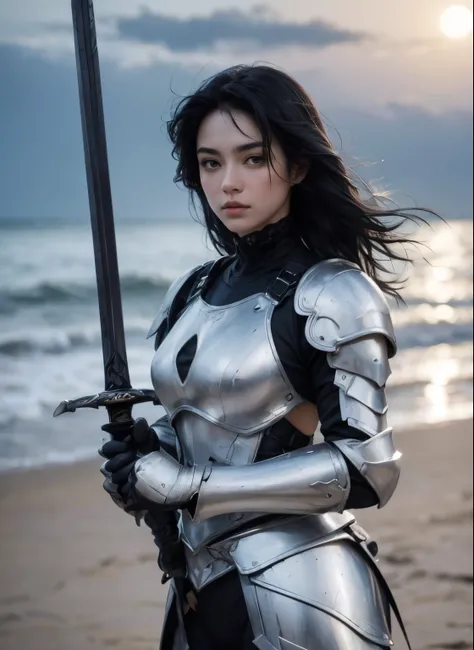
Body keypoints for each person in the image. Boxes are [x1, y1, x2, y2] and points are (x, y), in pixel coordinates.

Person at [99, 64, 435, 650]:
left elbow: (368, 469)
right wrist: (148, 456)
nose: (229, 182)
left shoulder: (334, 293)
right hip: (197, 584)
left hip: (302, 583)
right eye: (211, 162)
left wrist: (186, 484)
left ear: (298, 166)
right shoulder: (192, 290)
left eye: (253, 159)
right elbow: (207, 423)